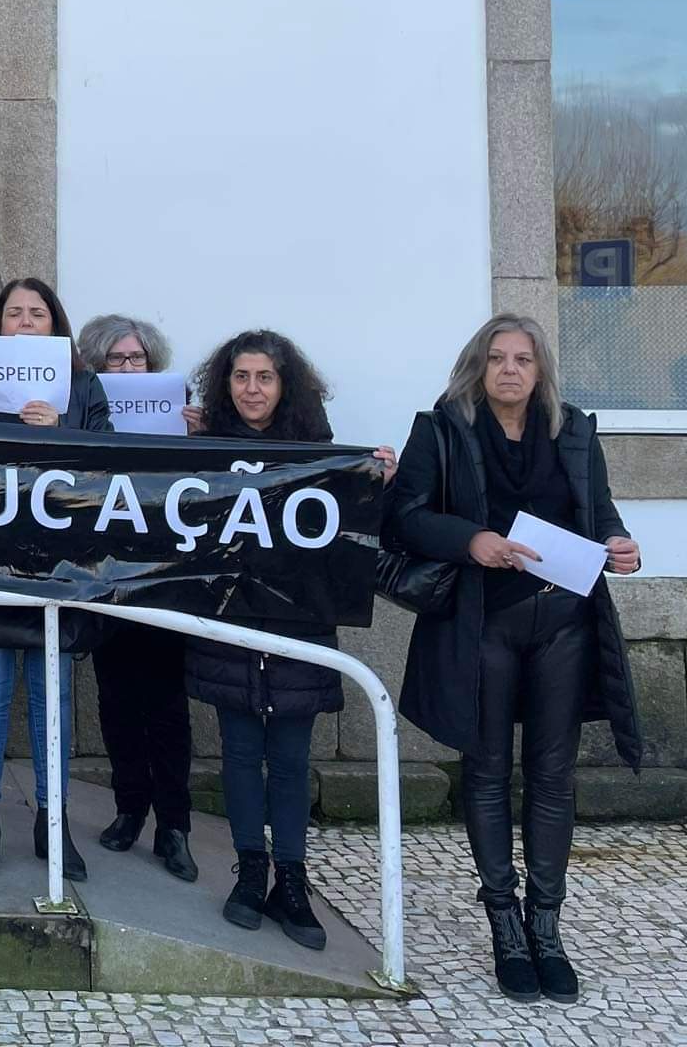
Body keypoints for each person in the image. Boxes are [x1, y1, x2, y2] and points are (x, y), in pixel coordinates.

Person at [385, 314, 642, 1006]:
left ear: (540, 370)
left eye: (522, 359)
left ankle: (546, 926)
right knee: (489, 768)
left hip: (564, 623)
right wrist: (470, 539)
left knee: (553, 775)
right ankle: (503, 920)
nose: (509, 370)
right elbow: (402, 516)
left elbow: (601, 511)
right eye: (496, 358)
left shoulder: (575, 432)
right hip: (483, 624)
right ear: (478, 365)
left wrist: (619, 543)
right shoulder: (440, 430)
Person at [184, 329, 395, 953]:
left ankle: (293, 880)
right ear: (226, 384)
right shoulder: (203, 454)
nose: (252, 389)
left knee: (293, 758)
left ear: (286, 385)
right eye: (242, 377)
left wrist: (379, 477)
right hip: (230, 622)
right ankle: (251, 873)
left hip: (300, 623)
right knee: (241, 752)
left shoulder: (320, 456)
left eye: (265, 378)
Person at [0, 278, 109, 883]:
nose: (23, 322)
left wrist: (58, 434)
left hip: (61, 568)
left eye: (36, 313)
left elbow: (109, 466)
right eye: (12, 313)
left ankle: (53, 821)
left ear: (55, 324)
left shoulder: (84, 385)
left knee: (52, 701)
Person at [74, 312, 197, 883]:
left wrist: (200, 435)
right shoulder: (86, 411)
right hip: (106, 570)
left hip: (165, 573)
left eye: (136, 359)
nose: (127, 368)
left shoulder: (182, 409)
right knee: (116, 698)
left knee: (168, 705)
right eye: (115, 360)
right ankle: (130, 809)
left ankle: (174, 825)